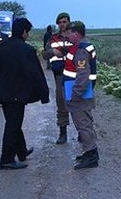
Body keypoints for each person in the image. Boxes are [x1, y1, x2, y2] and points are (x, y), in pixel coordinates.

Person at [0, 18, 50, 170]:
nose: (28, 35)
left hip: (3, 92)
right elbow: (35, 73)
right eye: (28, 32)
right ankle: (6, 159)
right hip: (17, 93)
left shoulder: (1, 45)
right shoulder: (26, 50)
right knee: (13, 125)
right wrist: (44, 94)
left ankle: (21, 151)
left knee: (13, 122)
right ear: (24, 32)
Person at [64, 21, 99, 169]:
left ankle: (91, 155)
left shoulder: (81, 50)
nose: (67, 36)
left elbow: (83, 75)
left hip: (79, 93)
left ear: (76, 34)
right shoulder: (82, 46)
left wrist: (76, 94)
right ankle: (88, 151)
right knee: (86, 122)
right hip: (83, 92)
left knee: (83, 124)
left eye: (69, 33)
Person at [41, 12, 73, 144]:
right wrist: (52, 52)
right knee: (61, 104)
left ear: (69, 22)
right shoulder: (53, 39)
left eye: (64, 22)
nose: (62, 24)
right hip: (59, 76)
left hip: (74, 75)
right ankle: (63, 133)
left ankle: (82, 133)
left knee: (78, 104)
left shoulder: (74, 37)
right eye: (60, 22)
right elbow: (44, 54)